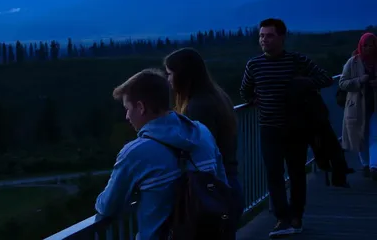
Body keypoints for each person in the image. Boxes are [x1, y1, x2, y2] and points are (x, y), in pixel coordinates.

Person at [95, 68, 227, 240]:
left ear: (141, 107)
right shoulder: (202, 133)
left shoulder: (134, 153)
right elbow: (222, 183)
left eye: (127, 108)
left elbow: (108, 206)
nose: (127, 116)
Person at [239, 18, 333, 238]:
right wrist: (253, 99)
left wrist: (301, 85)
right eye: (261, 36)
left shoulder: (296, 61)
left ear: (281, 37)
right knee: (273, 174)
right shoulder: (254, 65)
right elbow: (245, 91)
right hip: (268, 127)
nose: (264, 40)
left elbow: (325, 78)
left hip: (295, 127)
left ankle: (296, 216)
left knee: (297, 172)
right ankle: (283, 217)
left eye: (269, 35)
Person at [164, 47, 244, 235]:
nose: (167, 80)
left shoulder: (198, 107)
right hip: (227, 187)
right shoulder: (217, 97)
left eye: (169, 74)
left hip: (212, 192)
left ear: (182, 76)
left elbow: (201, 154)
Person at [340, 32, 377, 180]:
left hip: (375, 105)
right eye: (365, 45)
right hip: (358, 106)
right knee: (361, 136)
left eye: (372, 45)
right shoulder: (353, 62)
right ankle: (366, 164)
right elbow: (342, 83)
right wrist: (360, 80)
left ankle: (374, 167)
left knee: (374, 135)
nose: (368, 48)